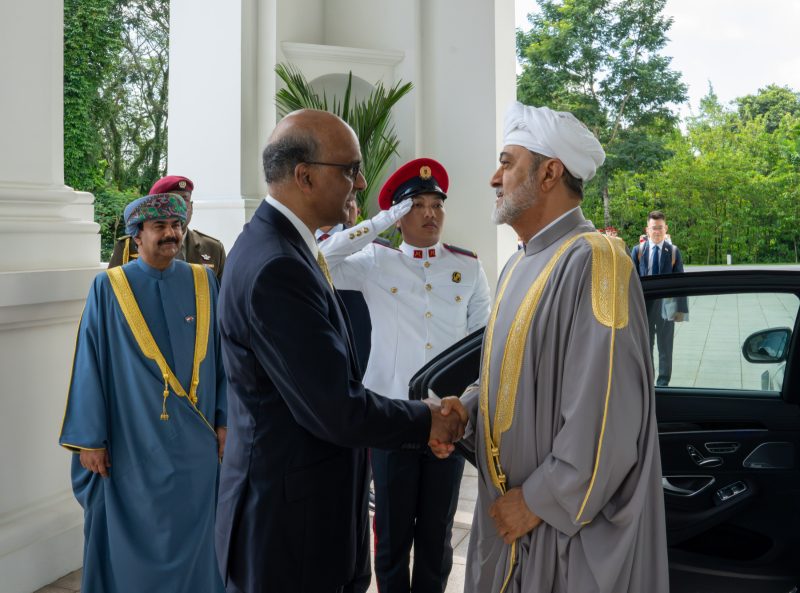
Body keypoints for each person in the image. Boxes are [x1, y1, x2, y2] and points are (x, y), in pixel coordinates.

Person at [215, 109, 465, 593]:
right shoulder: (277, 266)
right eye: (349, 168)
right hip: (290, 528)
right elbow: (336, 408)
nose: (360, 180)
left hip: (305, 511)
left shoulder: (281, 246)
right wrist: (427, 419)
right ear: (304, 176)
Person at [445, 101, 669, 593]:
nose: (493, 177)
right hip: (509, 527)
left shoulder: (597, 261)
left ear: (549, 173)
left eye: (507, 162)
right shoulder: (517, 265)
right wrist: (465, 409)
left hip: (559, 536)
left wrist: (536, 502)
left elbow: (607, 412)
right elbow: (511, 377)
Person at [321, 157, 491, 593]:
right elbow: (322, 258)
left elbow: (483, 347)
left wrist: (463, 412)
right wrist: (380, 221)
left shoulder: (468, 267)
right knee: (392, 538)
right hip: (392, 416)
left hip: (448, 420)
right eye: (417, 205)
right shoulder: (375, 262)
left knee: (437, 535)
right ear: (399, 216)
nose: (430, 213)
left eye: (437, 204)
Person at [59, 193, 227, 593]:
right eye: (159, 227)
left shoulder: (204, 281)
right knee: (134, 528)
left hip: (196, 443)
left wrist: (225, 420)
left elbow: (225, 361)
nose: (171, 234)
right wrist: (89, 440)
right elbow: (90, 364)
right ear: (137, 236)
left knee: (200, 533)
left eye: (177, 226)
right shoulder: (109, 287)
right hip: (133, 439)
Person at [109, 175, 227, 279]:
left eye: (185, 199)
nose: (179, 205)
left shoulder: (213, 248)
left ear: (191, 206)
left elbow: (222, 299)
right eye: (172, 199)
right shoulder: (127, 247)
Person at [630, 210, 688, 387]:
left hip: (666, 307)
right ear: (647, 229)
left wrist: (680, 312)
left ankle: (663, 383)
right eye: (653, 228)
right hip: (644, 308)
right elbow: (631, 283)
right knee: (645, 347)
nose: (657, 232)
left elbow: (681, 282)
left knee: (665, 347)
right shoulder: (638, 251)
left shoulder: (673, 252)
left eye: (660, 228)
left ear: (666, 228)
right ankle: (648, 383)